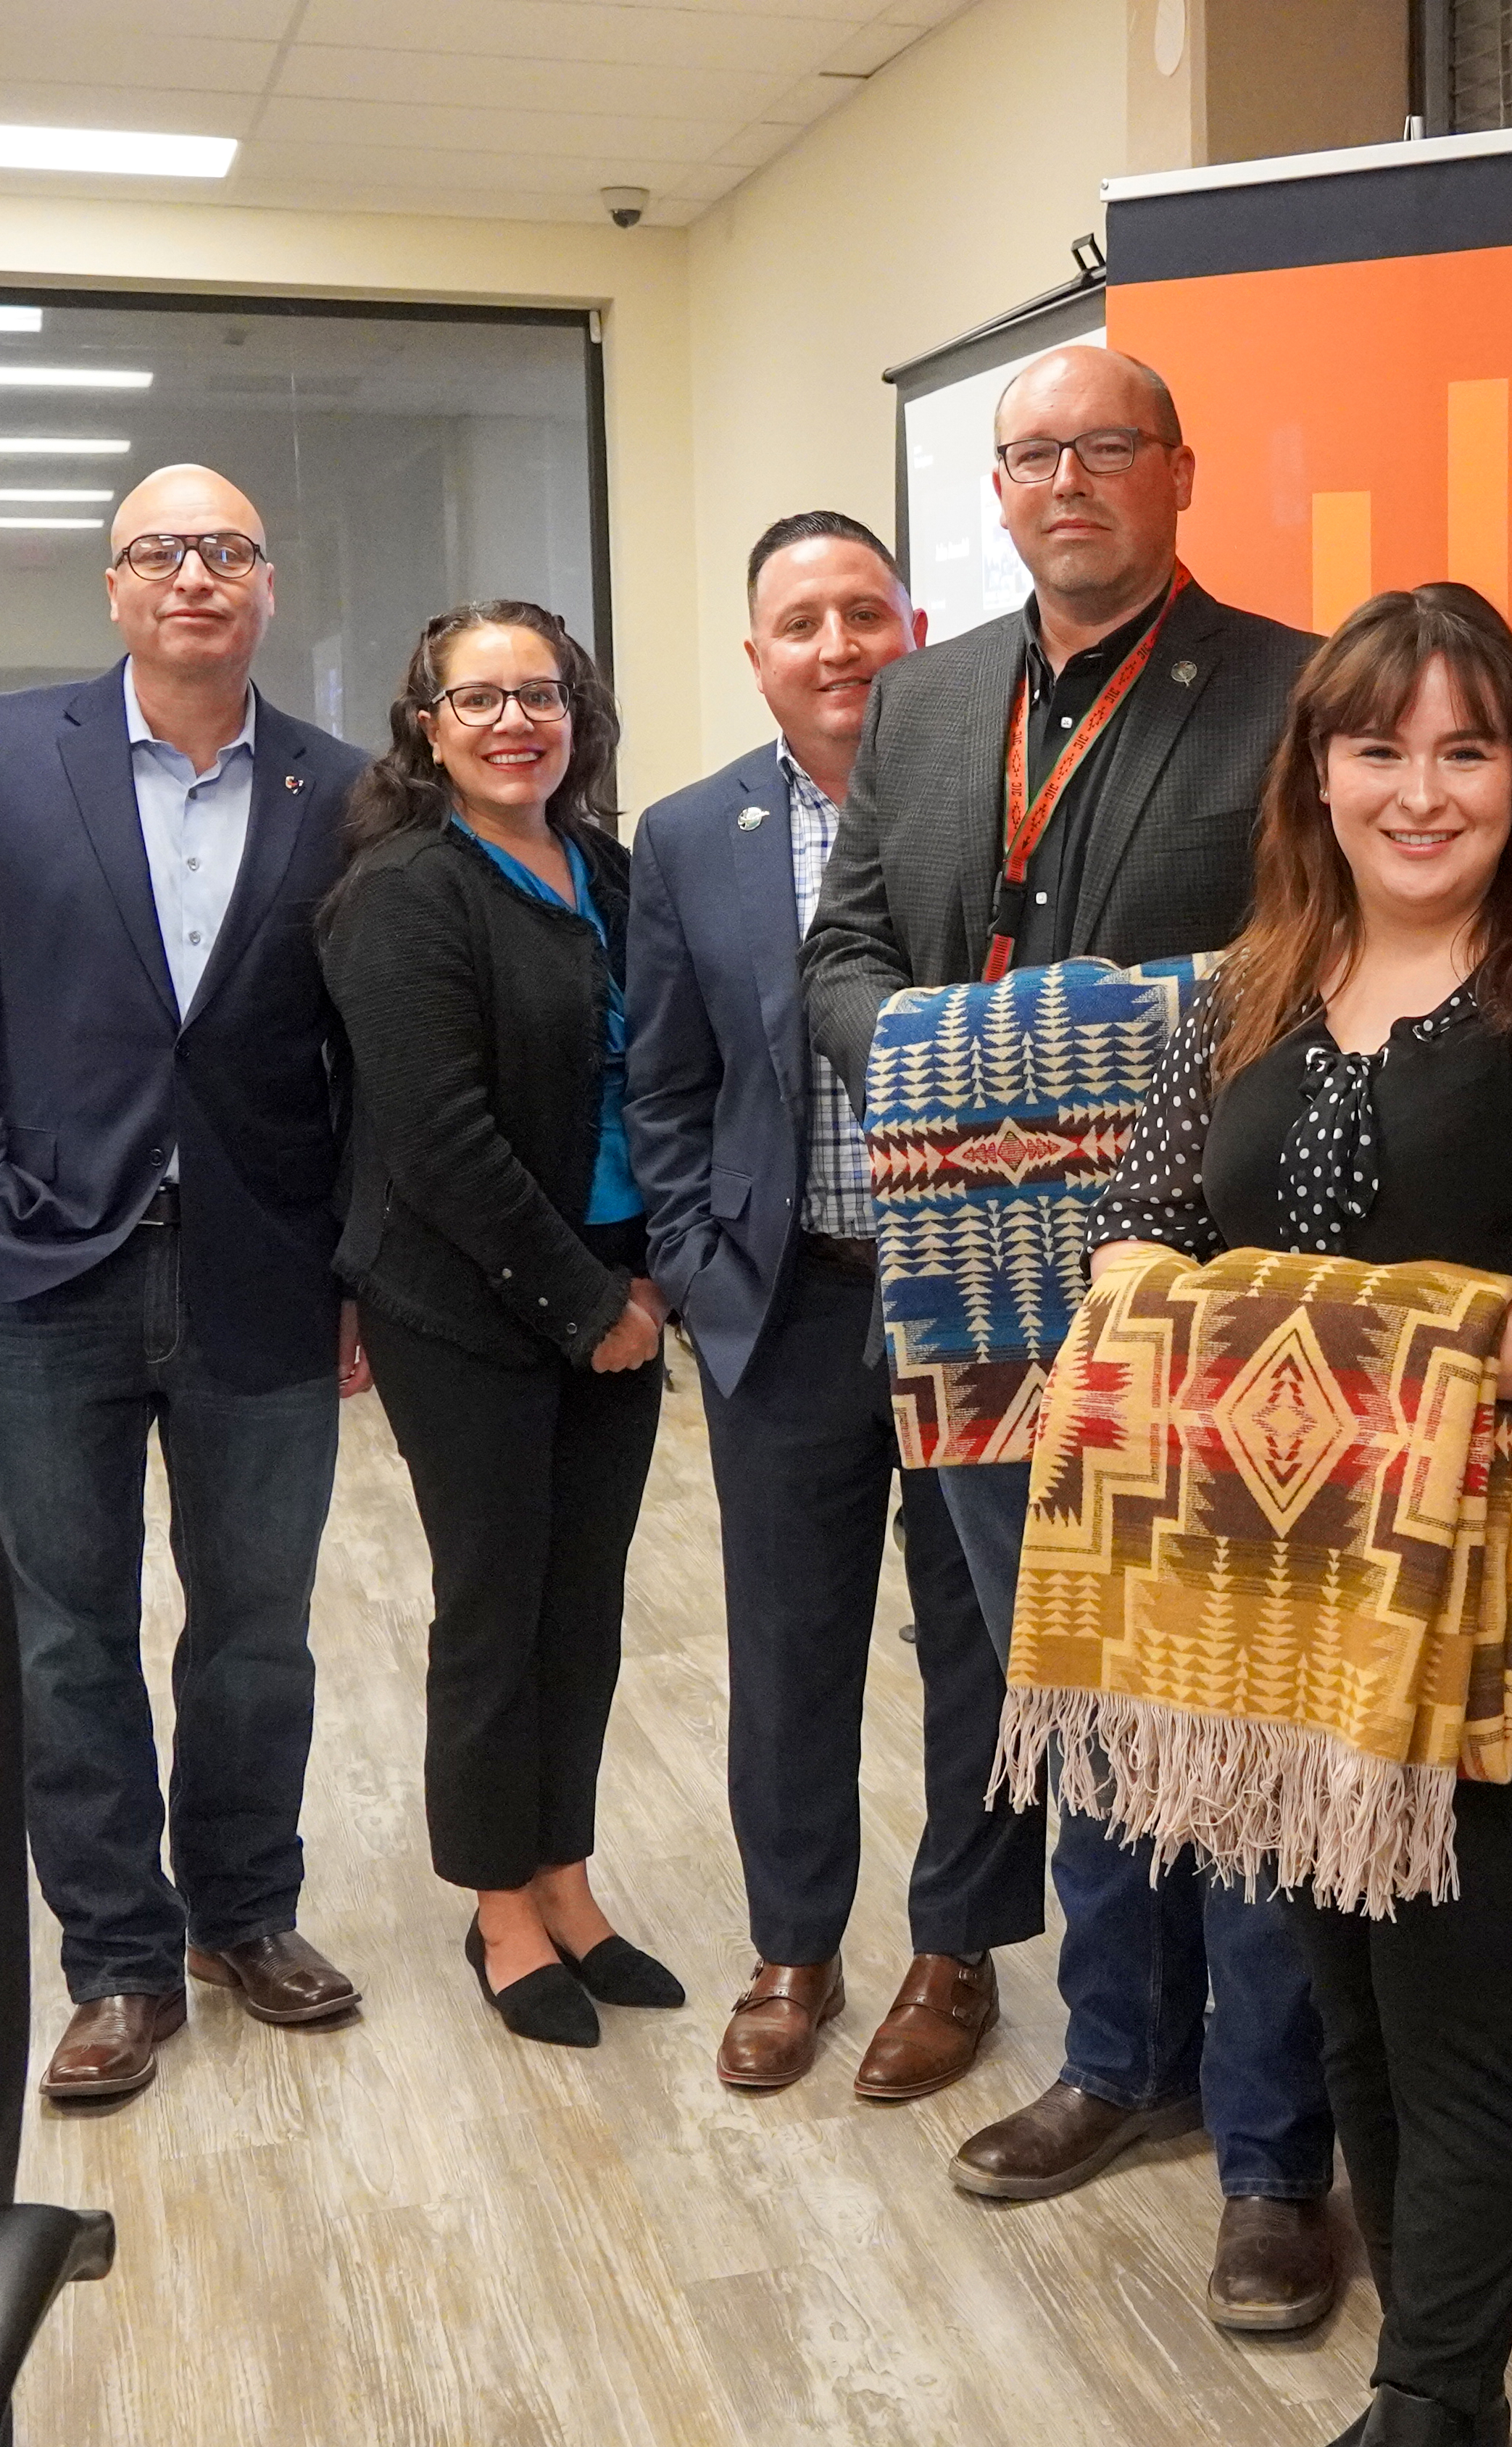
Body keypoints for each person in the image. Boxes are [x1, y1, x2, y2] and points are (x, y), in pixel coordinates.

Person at [1086, 582, 1512, 2447]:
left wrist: (1304, 1356)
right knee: (1343, 1997)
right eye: (1379, 748)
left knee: (1455, 2020)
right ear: (1318, 771)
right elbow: (1139, 1235)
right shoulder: (1250, 982)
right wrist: (1191, 1303)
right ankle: (1432, 2385)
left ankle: (1438, 2405)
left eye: (1465, 749)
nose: (1420, 791)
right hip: (1284, 1580)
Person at [802, 344, 1340, 2330]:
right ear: (998, 490)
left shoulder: (1295, 687)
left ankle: (1279, 2154)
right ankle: (1116, 2064)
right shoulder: (929, 700)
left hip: (1206, 1288)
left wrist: (1075, 1054)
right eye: (1029, 455)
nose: (1064, 482)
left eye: (1102, 449)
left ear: (1175, 471)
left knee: (1233, 1719)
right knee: (1076, 1702)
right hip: (968, 1298)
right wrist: (953, 1060)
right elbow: (841, 959)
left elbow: (1325, 950)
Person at [0, 465, 370, 2103]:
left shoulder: (341, 788)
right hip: (44, 1281)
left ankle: (245, 1912)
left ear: (266, 583)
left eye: (225, 548)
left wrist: (353, 1266)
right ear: (112, 586)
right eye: (160, 551)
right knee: (62, 1635)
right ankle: (114, 1956)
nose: (193, 577)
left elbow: (356, 1053)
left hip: (261, 1279)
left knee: (254, 1634)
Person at [628, 510, 1044, 2098]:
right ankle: (793, 1942)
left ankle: (958, 1949)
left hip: (969, 1302)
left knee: (978, 1643)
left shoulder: (988, 805)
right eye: (799, 622)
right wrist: (688, 1257)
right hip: (783, 1300)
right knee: (788, 1640)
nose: (835, 646)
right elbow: (661, 1073)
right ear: (756, 657)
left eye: (863, 613)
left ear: (913, 629)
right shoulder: (685, 835)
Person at [318, 599, 683, 2052]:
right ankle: (499, 1905)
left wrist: (645, 1278)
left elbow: (664, 1077)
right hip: (467, 1298)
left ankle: (568, 1876)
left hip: (619, 1285)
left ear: (577, 719)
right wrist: (588, 1302)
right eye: (480, 700)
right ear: (428, 726)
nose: (516, 721)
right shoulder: (403, 890)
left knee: (582, 1606)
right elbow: (436, 1133)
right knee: (496, 1604)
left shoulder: (608, 867)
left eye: (542, 695)